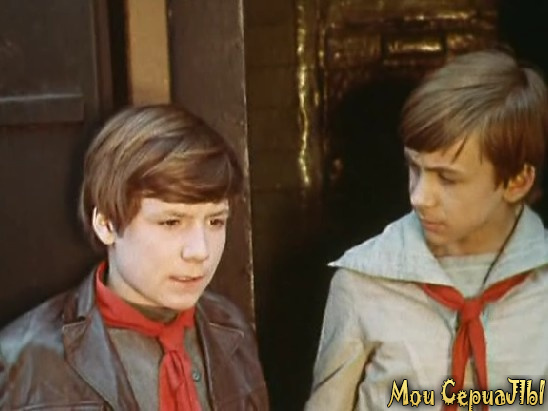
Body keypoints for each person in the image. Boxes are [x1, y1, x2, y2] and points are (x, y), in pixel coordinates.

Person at [306, 49, 548, 410]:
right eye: (414, 168)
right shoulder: (362, 283)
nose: (419, 197)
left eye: (447, 179)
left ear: (517, 181)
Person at [0, 105, 269, 410]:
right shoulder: (24, 358)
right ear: (106, 225)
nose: (200, 251)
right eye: (171, 222)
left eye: (215, 221)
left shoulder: (230, 328)